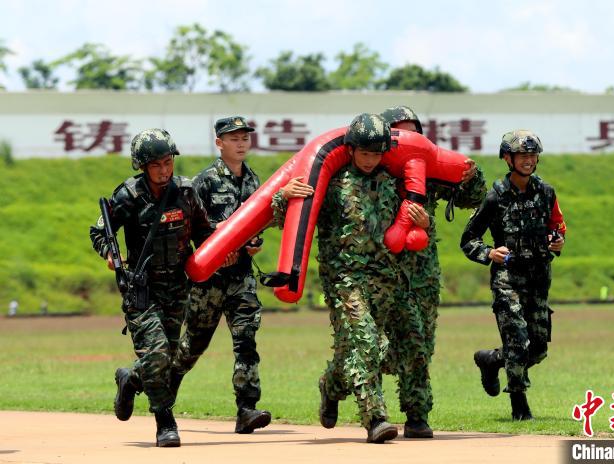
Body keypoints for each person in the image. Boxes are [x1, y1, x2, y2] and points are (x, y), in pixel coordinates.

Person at [271, 113, 416, 443]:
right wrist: (284, 196)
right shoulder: (332, 182)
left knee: (362, 352)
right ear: (350, 149)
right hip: (345, 280)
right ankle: (375, 418)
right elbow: (289, 220)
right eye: (364, 153)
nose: (370, 160)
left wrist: (418, 218)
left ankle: (332, 385)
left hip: (384, 281)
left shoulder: (392, 182)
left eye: (376, 153)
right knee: (366, 343)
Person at [89, 128, 214, 447]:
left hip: (177, 289)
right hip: (141, 291)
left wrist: (220, 254)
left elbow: (204, 232)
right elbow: (100, 232)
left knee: (165, 360)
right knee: (157, 355)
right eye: (157, 164)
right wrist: (111, 255)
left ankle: (129, 379)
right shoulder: (128, 196)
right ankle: (165, 423)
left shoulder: (186, 192)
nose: (164, 169)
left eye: (168, 161)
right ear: (142, 166)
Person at [379, 105, 487, 438]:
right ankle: (344, 384)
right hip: (379, 271)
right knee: (369, 344)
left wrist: (472, 175)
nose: (408, 138)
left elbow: (472, 197)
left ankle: (416, 416)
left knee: (420, 344)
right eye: (400, 131)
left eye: (414, 131)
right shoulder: (371, 173)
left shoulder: (427, 171)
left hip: (422, 273)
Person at [170, 116, 272, 434]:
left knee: (246, 341)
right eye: (234, 138)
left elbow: (257, 224)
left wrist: (255, 244)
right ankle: (157, 390)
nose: (241, 143)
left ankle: (247, 409)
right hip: (210, 279)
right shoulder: (204, 181)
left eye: (245, 138)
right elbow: (190, 228)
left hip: (241, 276)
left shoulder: (254, 181)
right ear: (219, 143)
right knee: (192, 347)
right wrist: (213, 248)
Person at [460, 130, 566, 420]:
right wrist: (489, 253)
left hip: (539, 277)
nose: (529, 161)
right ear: (508, 159)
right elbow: (468, 240)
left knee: (538, 348)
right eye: (522, 156)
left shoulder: (546, 193)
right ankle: (519, 404)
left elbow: (558, 227)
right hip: (508, 279)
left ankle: (491, 361)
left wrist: (558, 241)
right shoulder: (495, 198)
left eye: (532, 155)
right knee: (517, 341)